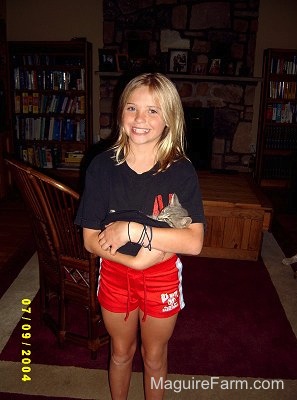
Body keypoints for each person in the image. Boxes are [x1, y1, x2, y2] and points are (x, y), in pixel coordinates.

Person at [75, 72, 205, 400]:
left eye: (153, 111)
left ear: (169, 119)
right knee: (120, 352)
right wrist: (134, 263)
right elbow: (90, 240)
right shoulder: (102, 167)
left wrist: (134, 231)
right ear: (120, 113)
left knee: (154, 356)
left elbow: (194, 242)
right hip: (115, 272)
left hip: (162, 275)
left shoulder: (181, 170)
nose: (140, 119)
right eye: (132, 108)